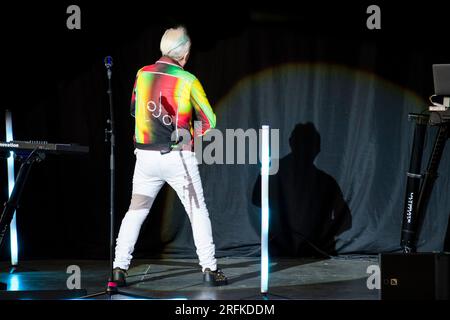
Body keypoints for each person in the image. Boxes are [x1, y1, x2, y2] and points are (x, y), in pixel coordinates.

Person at [112, 26, 227, 287]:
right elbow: (210, 120)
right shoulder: (187, 80)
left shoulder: (142, 74)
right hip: (178, 159)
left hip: (145, 157)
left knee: (136, 211)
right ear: (184, 54)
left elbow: (133, 110)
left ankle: (119, 269)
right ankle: (209, 270)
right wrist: (189, 137)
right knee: (198, 212)